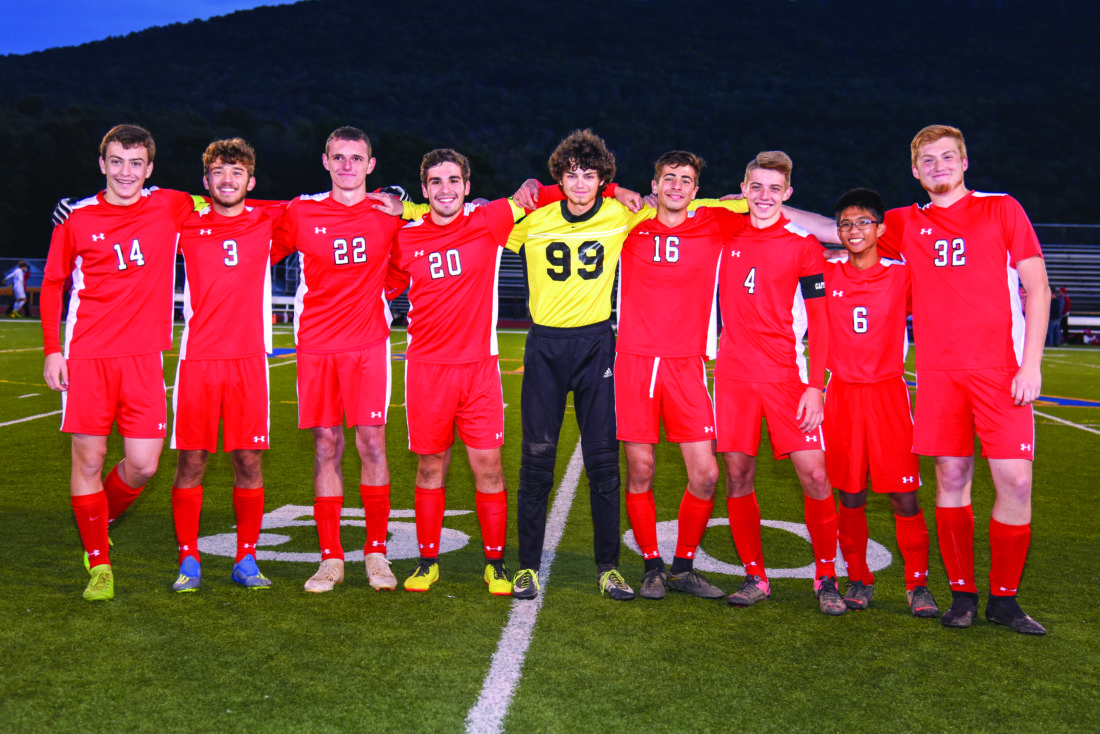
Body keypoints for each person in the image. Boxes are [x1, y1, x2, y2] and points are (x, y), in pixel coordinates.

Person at [877, 125, 1049, 635]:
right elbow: (843, 226)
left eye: (947, 157)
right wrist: (754, 205)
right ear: (915, 170)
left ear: (964, 161)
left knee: (1016, 481)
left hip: (1001, 371)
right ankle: (964, 596)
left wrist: (1031, 364)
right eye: (928, 160)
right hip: (939, 374)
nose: (939, 166)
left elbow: (1037, 288)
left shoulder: (1002, 208)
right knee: (952, 480)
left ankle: (1005, 600)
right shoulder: (905, 222)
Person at [41, 124, 198, 601]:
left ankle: (98, 519)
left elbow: (231, 198)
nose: (125, 172)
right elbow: (53, 283)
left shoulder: (171, 205)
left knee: (144, 465)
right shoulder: (76, 217)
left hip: (144, 358)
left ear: (149, 169)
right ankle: (98, 563)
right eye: (116, 162)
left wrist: (383, 200)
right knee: (88, 459)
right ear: (102, 164)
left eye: (135, 164)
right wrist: (52, 349)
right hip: (87, 356)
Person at [505, 129, 649, 601]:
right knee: (536, 463)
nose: (581, 183)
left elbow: (676, 204)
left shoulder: (620, 213)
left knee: (604, 465)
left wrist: (738, 203)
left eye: (590, 175)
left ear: (603, 179)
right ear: (560, 179)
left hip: (595, 346)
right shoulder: (534, 219)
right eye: (572, 175)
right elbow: (481, 221)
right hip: (545, 347)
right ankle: (527, 566)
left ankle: (609, 568)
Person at [270, 126, 413, 593]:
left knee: (372, 444)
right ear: (326, 161)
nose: (347, 165)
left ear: (371, 165)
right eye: (339, 157)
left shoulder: (388, 213)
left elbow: (403, 265)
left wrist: (378, 296)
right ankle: (331, 558)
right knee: (325, 445)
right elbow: (253, 238)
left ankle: (376, 552)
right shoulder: (301, 211)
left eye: (356, 158)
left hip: (368, 343)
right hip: (316, 345)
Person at [384, 149, 533, 595]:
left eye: (453, 180)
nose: (445, 189)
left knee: (489, 467)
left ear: (467, 187)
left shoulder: (488, 221)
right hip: (426, 370)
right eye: (436, 181)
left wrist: (530, 185)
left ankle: (495, 564)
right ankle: (427, 561)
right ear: (424, 189)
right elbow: (381, 285)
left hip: (479, 369)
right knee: (430, 467)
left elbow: (544, 193)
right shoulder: (405, 238)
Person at [616, 151, 749, 600]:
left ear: (696, 190)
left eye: (686, 180)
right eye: (669, 178)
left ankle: (683, 567)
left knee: (706, 474)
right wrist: (615, 189)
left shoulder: (715, 221)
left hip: (686, 363)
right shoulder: (629, 220)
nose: (676, 186)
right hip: (635, 360)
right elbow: (583, 198)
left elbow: (770, 209)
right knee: (641, 469)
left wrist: (743, 198)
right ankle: (652, 566)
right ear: (654, 185)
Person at [716, 151, 843, 615]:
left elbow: (822, 322)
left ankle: (826, 576)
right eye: (756, 186)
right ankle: (755, 576)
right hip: (733, 376)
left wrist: (816, 387)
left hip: (788, 376)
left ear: (788, 193)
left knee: (815, 474)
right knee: (737, 475)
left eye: (774, 188)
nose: (764, 196)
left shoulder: (803, 245)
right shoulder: (724, 233)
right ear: (743, 189)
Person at [168, 138, 281, 592]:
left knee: (248, 461)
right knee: (191, 461)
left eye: (237, 172)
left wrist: (396, 204)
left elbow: (325, 207)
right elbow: (136, 207)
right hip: (198, 359)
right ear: (206, 181)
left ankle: (246, 558)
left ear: (251, 182)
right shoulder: (184, 223)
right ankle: (188, 558)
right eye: (218, 171)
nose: (227, 179)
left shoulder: (268, 220)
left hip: (249, 359)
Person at [822, 188, 938, 617]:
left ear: (880, 229)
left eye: (863, 222)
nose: (854, 230)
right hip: (842, 395)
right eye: (846, 224)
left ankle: (917, 585)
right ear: (838, 231)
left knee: (904, 496)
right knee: (850, 494)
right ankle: (858, 578)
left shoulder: (903, 275)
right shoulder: (827, 274)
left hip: (888, 394)